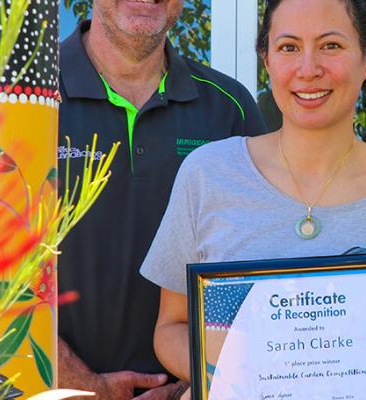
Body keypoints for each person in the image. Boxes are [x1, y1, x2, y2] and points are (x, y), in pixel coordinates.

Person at [137, 0, 366, 398]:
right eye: (289, 47)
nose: (308, 68)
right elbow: (170, 328)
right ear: (267, 59)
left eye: (330, 45)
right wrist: (244, 375)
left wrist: (357, 370)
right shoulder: (207, 175)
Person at [56, 0, 268, 398]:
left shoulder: (231, 110)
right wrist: (80, 386)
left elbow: (264, 272)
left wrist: (192, 386)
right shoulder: (26, 98)